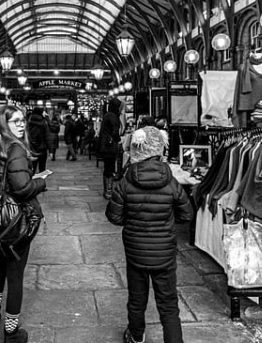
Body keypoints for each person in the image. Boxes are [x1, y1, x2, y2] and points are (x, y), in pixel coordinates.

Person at [106, 126, 194, 343]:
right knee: (169, 303)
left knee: (137, 299)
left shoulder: (126, 181)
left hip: (136, 251)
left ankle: (136, 336)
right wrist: (168, 220)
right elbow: (187, 214)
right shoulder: (171, 181)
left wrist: (133, 221)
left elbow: (114, 216)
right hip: (164, 253)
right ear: (160, 149)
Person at [0, 105, 49, 343]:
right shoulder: (15, 148)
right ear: (3, 123)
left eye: (22, 120)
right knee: (15, 275)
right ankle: (11, 331)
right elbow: (22, 188)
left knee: (0, 267)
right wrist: (39, 182)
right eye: (14, 121)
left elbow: (2, 180)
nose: (21, 124)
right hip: (14, 221)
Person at [98, 99, 123, 198]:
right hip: (110, 147)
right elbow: (114, 132)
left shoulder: (108, 115)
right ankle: (108, 191)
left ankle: (107, 190)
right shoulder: (113, 116)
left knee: (107, 168)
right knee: (110, 168)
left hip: (105, 147)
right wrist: (119, 140)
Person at [26, 107, 49, 173]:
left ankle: (31, 181)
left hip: (31, 148)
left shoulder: (29, 121)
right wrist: (51, 150)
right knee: (42, 168)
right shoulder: (44, 122)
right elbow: (47, 136)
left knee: (32, 168)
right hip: (42, 148)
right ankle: (41, 181)